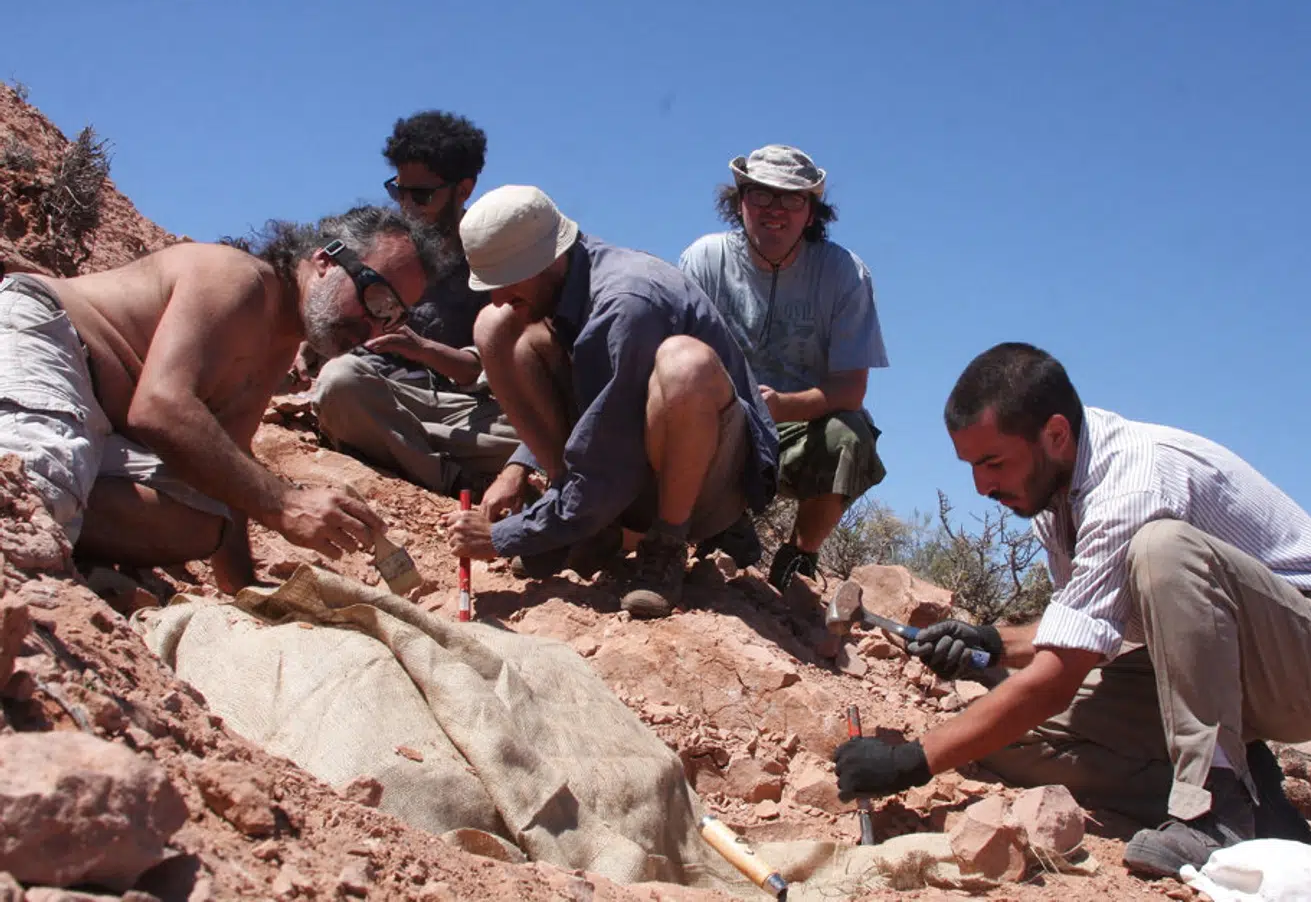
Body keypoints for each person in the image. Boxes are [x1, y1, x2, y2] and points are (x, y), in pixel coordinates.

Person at [832, 343, 1311, 879]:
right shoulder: (1054, 493)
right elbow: (1081, 629)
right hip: (1214, 670)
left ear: (1057, 433)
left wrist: (910, 762)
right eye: (972, 465)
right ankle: (1252, 802)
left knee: (1163, 549)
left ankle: (1214, 809)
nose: (983, 485)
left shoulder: (1132, 484)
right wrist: (990, 642)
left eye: (993, 462)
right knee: (1010, 738)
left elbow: (1059, 675)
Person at [0, 206, 452, 592]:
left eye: (392, 316)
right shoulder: (237, 279)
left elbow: (227, 461)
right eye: (375, 297)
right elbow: (158, 408)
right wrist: (284, 504)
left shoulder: (277, 344)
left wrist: (245, 590)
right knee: (33, 498)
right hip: (49, 338)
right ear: (325, 260)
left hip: (96, 422)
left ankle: (60, 522)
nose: (374, 325)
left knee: (202, 524)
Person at [441, 185, 779, 618]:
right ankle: (587, 527)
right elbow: (601, 407)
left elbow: (608, 465)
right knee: (494, 325)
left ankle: (666, 544)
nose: (498, 294)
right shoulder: (567, 279)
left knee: (684, 365)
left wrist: (503, 538)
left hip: (707, 482)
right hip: (627, 460)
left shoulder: (625, 302)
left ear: (547, 259)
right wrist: (519, 467)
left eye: (505, 280)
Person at [679, 145, 887, 591]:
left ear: (812, 213)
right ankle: (704, 527)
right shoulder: (704, 260)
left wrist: (780, 406)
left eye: (792, 198)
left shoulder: (845, 274)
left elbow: (851, 389)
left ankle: (799, 556)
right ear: (739, 203)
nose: (775, 209)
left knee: (848, 436)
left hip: (799, 424)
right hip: (719, 421)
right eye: (761, 195)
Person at [306, 111, 519, 495]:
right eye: (398, 190)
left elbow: (494, 365)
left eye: (421, 195)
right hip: (379, 391)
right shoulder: (381, 244)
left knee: (537, 432)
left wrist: (423, 350)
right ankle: (455, 479)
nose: (407, 205)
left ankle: (399, 448)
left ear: (464, 189)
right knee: (339, 383)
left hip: (463, 408)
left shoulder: (493, 257)